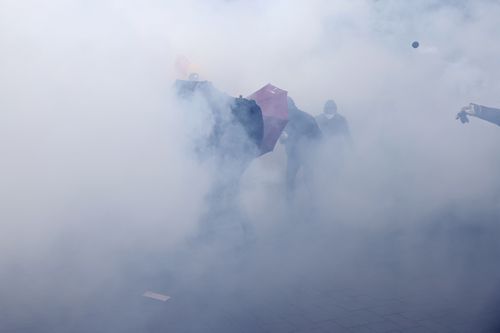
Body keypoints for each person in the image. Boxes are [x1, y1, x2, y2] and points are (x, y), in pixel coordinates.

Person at [281, 97, 322, 198]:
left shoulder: (305, 117)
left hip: (305, 154)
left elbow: (319, 136)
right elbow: (283, 140)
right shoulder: (284, 120)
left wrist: (308, 144)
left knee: (303, 179)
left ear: (291, 105)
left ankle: (313, 202)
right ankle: (291, 204)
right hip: (294, 155)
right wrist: (283, 138)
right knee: (293, 179)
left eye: (285, 106)